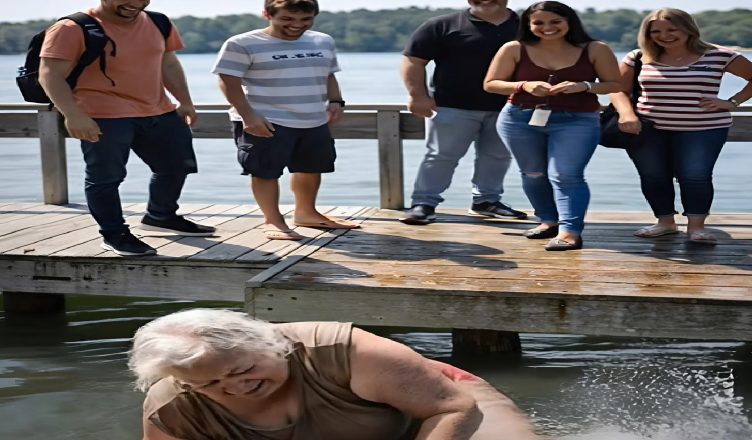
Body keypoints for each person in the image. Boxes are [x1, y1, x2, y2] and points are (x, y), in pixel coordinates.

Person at [129, 308, 540, 439]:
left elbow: (452, 408)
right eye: (210, 384)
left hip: (444, 406)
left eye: (244, 369)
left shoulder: (347, 349)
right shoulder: (173, 404)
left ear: (270, 343)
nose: (236, 387)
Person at [38, 0, 215, 257]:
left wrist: (185, 101)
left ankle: (160, 216)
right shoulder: (71, 28)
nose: (134, 3)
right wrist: (73, 115)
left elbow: (168, 63)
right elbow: (49, 74)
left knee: (177, 165)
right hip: (102, 115)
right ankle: (114, 234)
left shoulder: (158, 22)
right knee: (106, 178)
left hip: (159, 110)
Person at [212, 0, 358, 241]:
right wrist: (249, 116)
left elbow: (329, 74)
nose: (296, 25)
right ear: (266, 14)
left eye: (305, 19)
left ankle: (307, 214)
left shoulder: (323, 41)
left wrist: (335, 101)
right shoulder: (242, 43)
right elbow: (228, 81)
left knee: (311, 167)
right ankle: (272, 220)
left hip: (313, 118)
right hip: (265, 119)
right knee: (265, 171)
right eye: (287, 19)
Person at [484, 1, 621, 251]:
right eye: (538, 22)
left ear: (569, 22)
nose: (547, 27)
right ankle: (549, 221)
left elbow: (615, 84)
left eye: (555, 21)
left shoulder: (596, 48)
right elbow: (491, 84)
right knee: (533, 173)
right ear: (528, 25)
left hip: (578, 120)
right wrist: (523, 85)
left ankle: (570, 232)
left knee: (566, 174)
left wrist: (584, 86)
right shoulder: (514, 48)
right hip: (519, 119)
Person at [608, 8, 752, 245]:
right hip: (647, 130)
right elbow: (617, 88)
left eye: (672, 29)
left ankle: (696, 228)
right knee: (653, 176)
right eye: (656, 31)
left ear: (688, 28)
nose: (664, 36)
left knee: (695, 176)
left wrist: (732, 102)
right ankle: (665, 223)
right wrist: (626, 114)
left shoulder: (719, 55)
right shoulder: (638, 57)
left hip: (703, 129)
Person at [398, 0, 527, 225]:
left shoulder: (529, 26)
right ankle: (423, 204)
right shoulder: (441, 25)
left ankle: (486, 201)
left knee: (498, 156)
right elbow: (413, 61)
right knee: (440, 156)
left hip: (510, 107)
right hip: (451, 106)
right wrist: (417, 96)